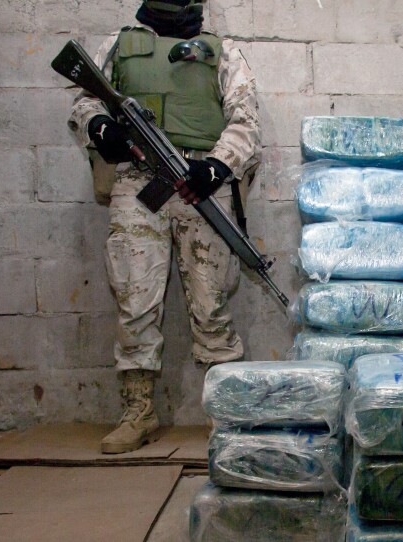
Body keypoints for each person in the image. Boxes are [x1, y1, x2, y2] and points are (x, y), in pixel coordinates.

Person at [68, 0, 261, 453]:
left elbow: (246, 122)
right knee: (135, 300)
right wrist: (99, 126)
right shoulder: (119, 46)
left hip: (200, 188)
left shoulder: (223, 52)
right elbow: (83, 100)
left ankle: (225, 416)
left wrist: (216, 166)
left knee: (211, 305)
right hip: (138, 183)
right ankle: (139, 412)